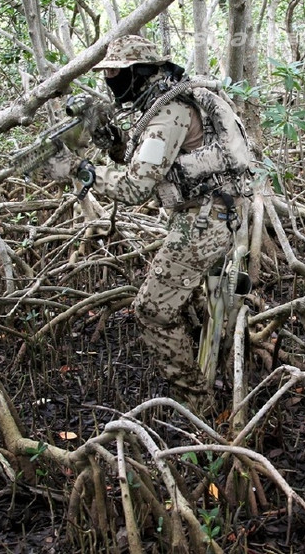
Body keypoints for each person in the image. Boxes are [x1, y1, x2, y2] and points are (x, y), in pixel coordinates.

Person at [57, 34, 254, 411]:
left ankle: (199, 405)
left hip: (207, 218)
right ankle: (210, 369)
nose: (109, 79)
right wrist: (111, 143)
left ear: (140, 72)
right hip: (209, 214)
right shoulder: (163, 106)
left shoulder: (170, 111)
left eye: (116, 71)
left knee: (151, 310)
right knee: (191, 300)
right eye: (107, 71)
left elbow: (135, 188)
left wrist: (79, 170)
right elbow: (148, 164)